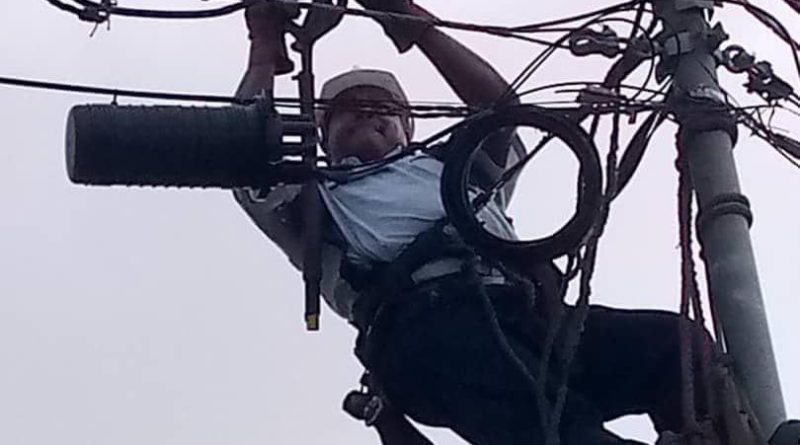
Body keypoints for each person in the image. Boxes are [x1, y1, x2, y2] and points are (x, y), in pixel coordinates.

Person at [233, 1, 716, 444]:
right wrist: (264, 47)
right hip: (429, 330)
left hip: (528, 313)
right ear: (324, 139)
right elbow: (239, 149)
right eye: (346, 112)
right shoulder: (317, 200)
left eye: (384, 108)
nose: (368, 112)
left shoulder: (456, 168)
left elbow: (501, 109)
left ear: (408, 128)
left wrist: (404, 17)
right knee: (562, 431)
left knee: (674, 347)